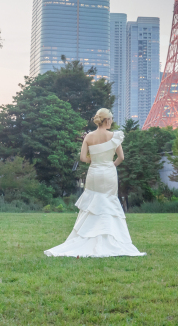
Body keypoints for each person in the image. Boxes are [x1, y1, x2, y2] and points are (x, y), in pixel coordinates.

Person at [44, 108, 145, 258]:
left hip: (94, 173)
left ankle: (88, 234)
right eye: (111, 119)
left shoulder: (89, 137)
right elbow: (121, 157)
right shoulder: (114, 136)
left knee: (93, 202)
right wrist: (110, 165)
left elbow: (83, 158)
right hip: (109, 173)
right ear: (107, 120)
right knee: (109, 202)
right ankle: (110, 237)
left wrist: (96, 161)